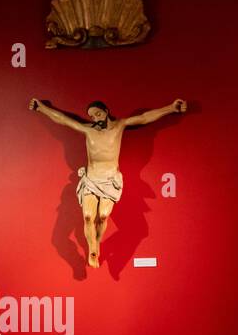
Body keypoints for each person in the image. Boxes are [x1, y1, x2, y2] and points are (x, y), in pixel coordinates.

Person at [29, 95, 186, 267]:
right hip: (91, 178)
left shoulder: (119, 126)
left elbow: (144, 118)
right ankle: (93, 250)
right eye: (92, 116)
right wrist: (41, 108)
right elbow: (63, 120)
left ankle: (97, 241)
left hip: (110, 179)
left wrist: (171, 108)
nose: (95, 118)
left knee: (102, 216)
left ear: (106, 111)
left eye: (97, 113)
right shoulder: (88, 129)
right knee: (88, 216)